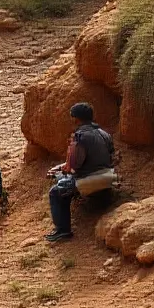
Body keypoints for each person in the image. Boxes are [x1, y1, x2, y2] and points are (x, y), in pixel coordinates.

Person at [45, 101, 116, 242]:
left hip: (91, 180)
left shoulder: (80, 137)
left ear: (76, 119)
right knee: (62, 178)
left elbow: (73, 167)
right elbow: (111, 155)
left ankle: (63, 230)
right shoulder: (104, 133)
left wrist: (59, 171)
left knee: (56, 190)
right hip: (108, 177)